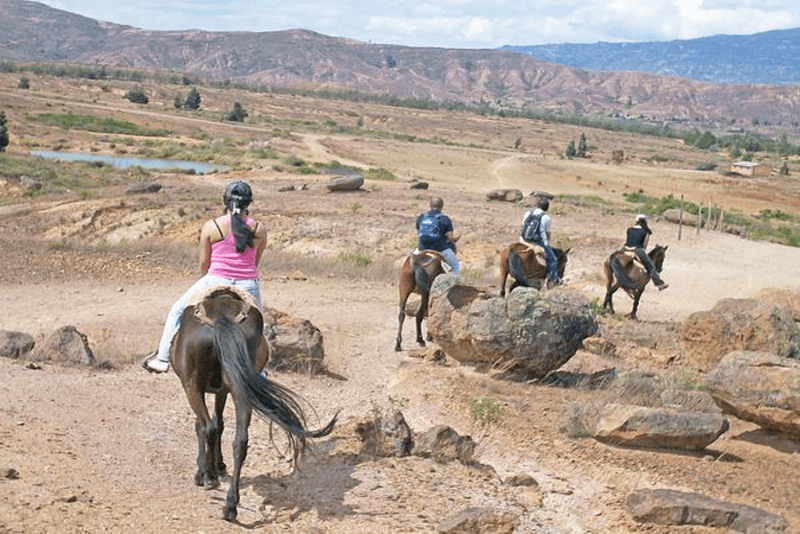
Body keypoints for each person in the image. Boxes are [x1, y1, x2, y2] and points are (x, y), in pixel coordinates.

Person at [143, 180, 267, 373]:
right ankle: (260, 369)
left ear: (224, 201)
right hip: (248, 283)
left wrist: (208, 278)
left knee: (176, 310)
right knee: (259, 322)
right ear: (249, 203)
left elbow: (204, 263)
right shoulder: (259, 229)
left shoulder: (212, 227)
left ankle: (162, 359)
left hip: (216, 280)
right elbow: (255, 262)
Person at [519, 197, 561, 286]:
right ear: (547, 208)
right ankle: (553, 279)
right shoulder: (546, 218)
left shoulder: (528, 213)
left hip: (523, 239)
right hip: (536, 242)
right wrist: (547, 245)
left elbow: (523, 227)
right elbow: (547, 234)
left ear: (537, 205)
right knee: (553, 259)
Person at [415, 197, 460, 274]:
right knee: (455, 266)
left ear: (430, 205)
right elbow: (450, 237)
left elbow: (419, 232)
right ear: (442, 206)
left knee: (410, 260)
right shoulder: (444, 219)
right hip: (439, 248)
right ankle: (454, 284)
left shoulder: (421, 217)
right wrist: (453, 239)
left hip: (422, 247)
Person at [624, 214, 668, 290]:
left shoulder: (629, 229)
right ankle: (659, 284)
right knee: (651, 267)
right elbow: (644, 246)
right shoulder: (646, 231)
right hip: (637, 249)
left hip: (625, 248)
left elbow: (628, 241)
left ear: (636, 221)